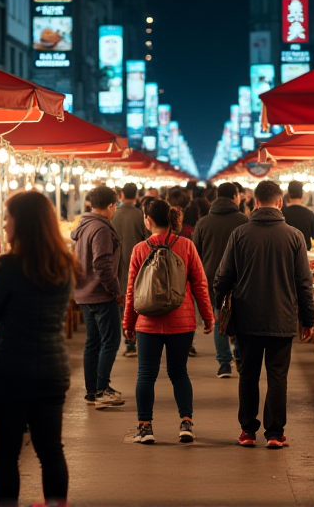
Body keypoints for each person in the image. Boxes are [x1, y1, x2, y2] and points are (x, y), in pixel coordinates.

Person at [0, 191, 75, 504]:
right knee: (51, 451)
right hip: (51, 371)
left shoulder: (8, 266)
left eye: (8, 218)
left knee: (5, 455)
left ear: (22, 222)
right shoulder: (63, 265)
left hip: (8, 371)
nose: (4, 225)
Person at [214, 180, 314, 449]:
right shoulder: (294, 236)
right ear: (279, 202)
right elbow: (304, 282)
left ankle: (247, 432)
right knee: (277, 376)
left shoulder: (240, 234)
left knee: (248, 375)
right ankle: (274, 433)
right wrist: (309, 319)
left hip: (246, 318)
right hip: (282, 318)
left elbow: (223, 277)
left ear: (255, 202)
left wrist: (218, 307)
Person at [123, 199, 214, 444]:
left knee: (146, 375)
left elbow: (132, 291)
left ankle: (145, 427)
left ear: (148, 220)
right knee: (179, 372)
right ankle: (186, 423)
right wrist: (207, 317)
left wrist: (128, 324)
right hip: (181, 321)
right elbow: (200, 284)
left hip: (147, 322)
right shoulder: (185, 245)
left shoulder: (140, 249)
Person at [70, 185, 125, 408]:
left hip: (84, 293)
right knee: (110, 341)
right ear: (111, 206)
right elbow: (102, 263)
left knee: (92, 342)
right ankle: (102, 389)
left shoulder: (84, 226)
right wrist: (115, 290)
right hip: (100, 294)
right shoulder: (101, 229)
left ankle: (92, 391)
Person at [192, 182, 249, 378]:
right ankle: (240, 357)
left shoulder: (203, 222)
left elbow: (195, 255)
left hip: (211, 279)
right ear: (235, 196)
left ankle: (224, 363)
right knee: (241, 319)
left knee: (219, 320)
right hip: (240, 278)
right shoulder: (243, 220)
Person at [112, 182, 147, 358]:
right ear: (136, 195)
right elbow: (147, 241)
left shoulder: (113, 216)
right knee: (138, 303)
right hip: (138, 267)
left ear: (121, 195)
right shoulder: (140, 216)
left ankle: (129, 342)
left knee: (122, 305)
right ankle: (139, 337)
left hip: (117, 267)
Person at [282, 181, 314, 250]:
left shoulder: (281, 214)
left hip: (285, 251)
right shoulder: (310, 214)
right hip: (304, 252)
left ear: (288, 194)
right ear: (302, 194)